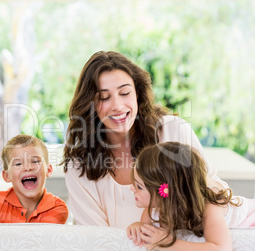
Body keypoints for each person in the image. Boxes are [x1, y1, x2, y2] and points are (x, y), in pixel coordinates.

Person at [63, 51, 228, 229]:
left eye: (125, 93)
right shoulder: (78, 165)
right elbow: (96, 242)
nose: (118, 106)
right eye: (104, 97)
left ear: (138, 94)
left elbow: (216, 194)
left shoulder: (173, 130)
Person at [127, 142, 255, 251]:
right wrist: (137, 227)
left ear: (165, 192)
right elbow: (146, 230)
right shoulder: (153, 210)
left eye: (139, 186)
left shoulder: (209, 207)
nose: (132, 189)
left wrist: (168, 243)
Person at [0, 134, 68, 223]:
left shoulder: (58, 207)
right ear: (7, 176)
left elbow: (40, 236)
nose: (28, 167)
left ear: (48, 170)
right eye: (18, 164)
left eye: (35, 161)